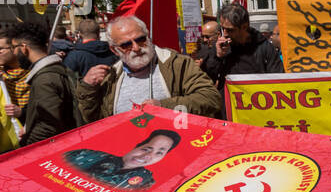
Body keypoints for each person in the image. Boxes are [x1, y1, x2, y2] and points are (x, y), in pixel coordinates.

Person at [77, 16, 222, 121]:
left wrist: (164, 106)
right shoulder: (110, 76)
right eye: (126, 44)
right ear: (115, 50)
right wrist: (88, 88)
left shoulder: (177, 64)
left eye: (140, 40)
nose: (136, 48)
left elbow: (211, 98)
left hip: (177, 150)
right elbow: (93, 120)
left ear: (148, 37)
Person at [6, 21, 83, 145]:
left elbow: (50, 125)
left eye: (14, 47)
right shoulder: (56, 69)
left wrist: (28, 143)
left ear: (24, 47)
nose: (14, 53)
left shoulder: (44, 79)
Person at [63, 130, 180, 191]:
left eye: (159, 153)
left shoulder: (146, 182)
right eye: (146, 149)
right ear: (137, 145)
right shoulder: (87, 155)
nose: (148, 155)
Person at [201, 4, 284, 87]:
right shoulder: (220, 46)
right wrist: (218, 57)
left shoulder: (264, 48)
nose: (225, 34)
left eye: (230, 30)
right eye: (223, 28)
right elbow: (207, 80)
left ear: (244, 27)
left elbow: (278, 80)